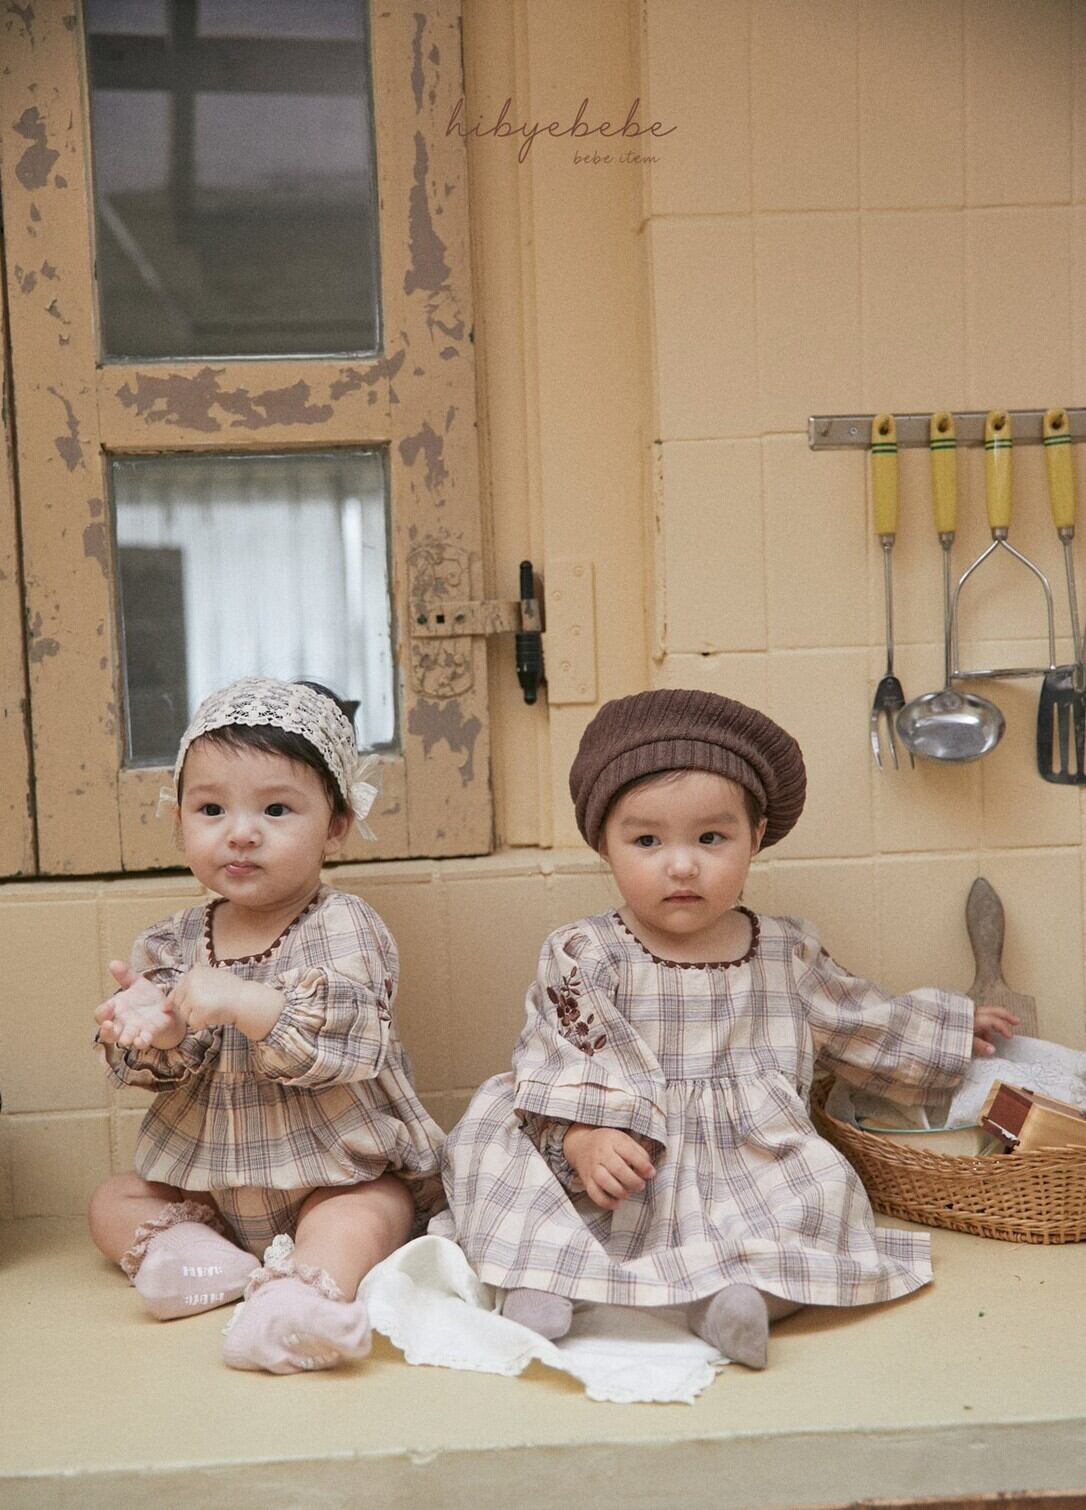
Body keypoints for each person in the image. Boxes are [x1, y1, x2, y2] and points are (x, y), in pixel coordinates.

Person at [436, 689, 1016, 1369]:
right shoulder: (587, 952)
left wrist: (947, 1028)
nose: (682, 865)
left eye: (711, 838)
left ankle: (738, 1300)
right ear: (604, 844)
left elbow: (860, 1018)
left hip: (747, 1156)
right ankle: (538, 1279)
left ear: (755, 837)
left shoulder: (785, 952)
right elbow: (563, 1057)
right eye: (646, 841)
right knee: (492, 1143)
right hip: (621, 1147)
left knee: (818, 1201)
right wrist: (585, 1136)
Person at [89, 676, 444, 1375]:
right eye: (211, 809)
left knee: (374, 1210)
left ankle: (293, 1306)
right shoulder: (169, 941)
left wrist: (245, 1001)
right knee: (113, 1200)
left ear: (336, 826)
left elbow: (351, 1040)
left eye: (276, 809)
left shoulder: (343, 925)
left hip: (331, 1177)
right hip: (208, 1187)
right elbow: (163, 1064)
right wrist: (155, 1035)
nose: (241, 832)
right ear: (180, 819)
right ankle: (196, 1261)